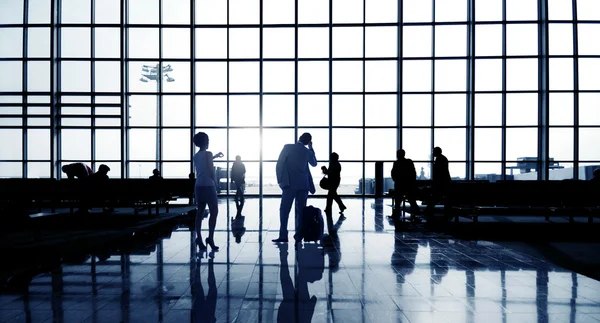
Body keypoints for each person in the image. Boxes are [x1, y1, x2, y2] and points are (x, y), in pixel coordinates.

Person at [273, 133, 317, 243]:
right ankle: (298, 236)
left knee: (284, 210)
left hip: (289, 185)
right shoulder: (307, 151)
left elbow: (279, 165)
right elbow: (314, 164)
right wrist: (311, 148)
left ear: (299, 138)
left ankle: (283, 235)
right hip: (303, 185)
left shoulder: (287, 147)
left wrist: (281, 181)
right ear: (308, 142)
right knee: (301, 211)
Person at [192, 132, 223, 252]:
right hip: (208, 186)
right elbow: (211, 169)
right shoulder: (208, 154)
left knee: (199, 212)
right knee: (214, 211)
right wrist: (216, 182)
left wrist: (214, 156)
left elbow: (204, 162)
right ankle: (210, 238)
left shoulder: (196, 155)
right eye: (208, 140)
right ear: (205, 141)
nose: (209, 142)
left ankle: (199, 238)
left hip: (198, 185)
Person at [391, 149, 420, 220]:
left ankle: (396, 214)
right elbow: (413, 173)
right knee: (411, 200)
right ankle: (417, 212)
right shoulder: (408, 162)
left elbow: (393, 173)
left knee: (398, 201)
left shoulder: (396, 163)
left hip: (400, 184)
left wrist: (396, 180)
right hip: (408, 184)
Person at [424, 146, 451, 217]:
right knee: (439, 197)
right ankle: (447, 211)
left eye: (433, 151)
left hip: (441, 182)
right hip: (444, 181)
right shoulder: (442, 158)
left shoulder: (439, 159)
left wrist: (435, 182)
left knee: (436, 196)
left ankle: (428, 210)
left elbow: (439, 172)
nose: (432, 153)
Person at [321, 152, 346, 217]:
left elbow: (328, 172)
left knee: (332, 194)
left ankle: (340, 206)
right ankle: (331, 208)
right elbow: (330, 172)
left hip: (333, 181)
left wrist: (324, 169)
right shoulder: (337, 164)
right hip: (335, 181)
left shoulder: (334, 164)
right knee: (331, 194)